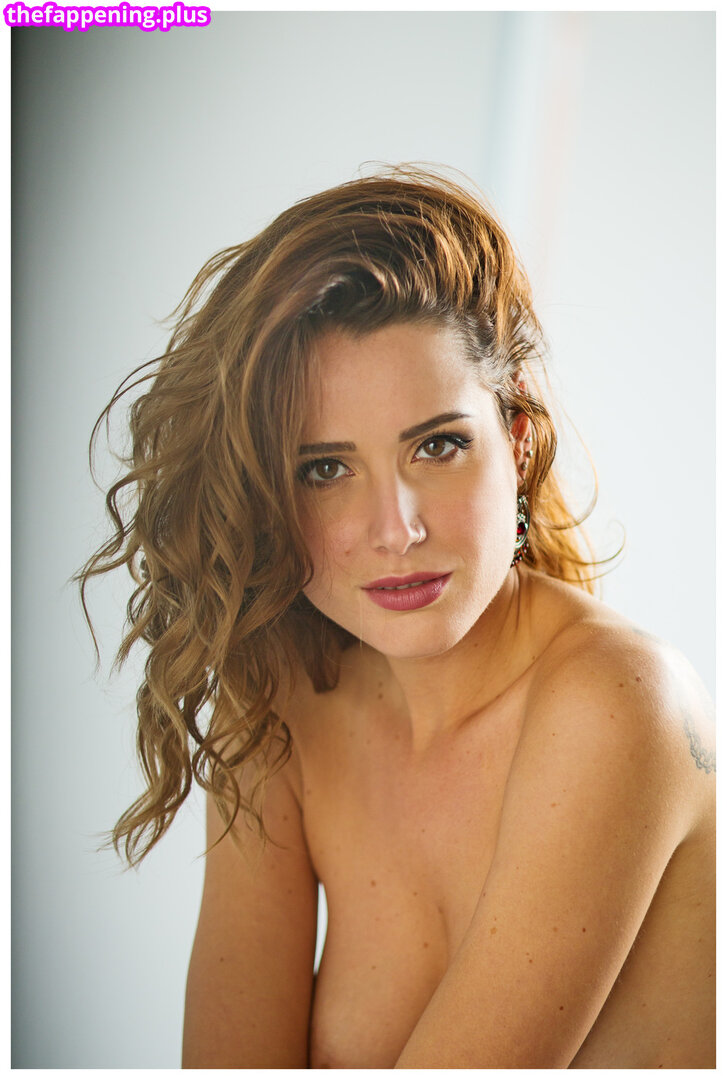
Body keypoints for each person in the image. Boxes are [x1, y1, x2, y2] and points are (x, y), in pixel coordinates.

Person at [80, 168, 715, 1068]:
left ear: (516, 440)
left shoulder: (619, 701)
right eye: (325, 469)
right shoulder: (281, 704)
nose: (396, 530)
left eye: (438, 445)